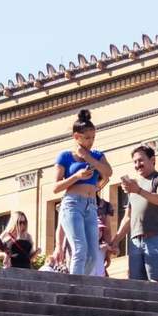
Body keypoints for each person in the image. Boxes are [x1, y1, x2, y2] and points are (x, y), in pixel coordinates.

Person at [52, 110, 110, 275]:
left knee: (93, 254)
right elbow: (55, 187)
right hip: (72, 204)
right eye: (86, 138)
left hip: (91, 206)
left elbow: (108, 172)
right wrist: (76, 177)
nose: (90, 142)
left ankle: (82, 284)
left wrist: (89, 158)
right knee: (80, 248)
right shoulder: (65, 157)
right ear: (76, 137)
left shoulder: (97, 155)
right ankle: (74, 287)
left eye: (93, 138)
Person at [113, 145, 158, 282]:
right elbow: (128, 217)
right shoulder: (134, 186)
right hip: (135, 241)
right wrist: (115, 241)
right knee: (136, 284)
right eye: (134, 162)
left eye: (140, 160)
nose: (137, 165)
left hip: (156, 239)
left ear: (152, 160)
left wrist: (138, 190)